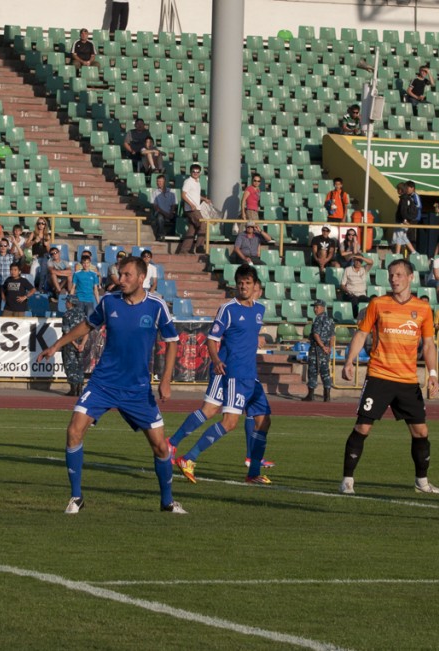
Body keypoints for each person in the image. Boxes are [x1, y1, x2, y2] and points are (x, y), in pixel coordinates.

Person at [37, 256, 182, 514]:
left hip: (137, 389)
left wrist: (166, 380)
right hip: (103, 383)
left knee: (161, 446)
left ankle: (167, 502)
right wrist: (57, 345)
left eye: (127, 275)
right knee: (74, 431)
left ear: (141, 278)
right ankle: (76, 497)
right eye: (119, 274)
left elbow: (172, 342)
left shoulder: (156, 305)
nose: (120, 279)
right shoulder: (109, 301)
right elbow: (87, 325)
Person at [339, 259, 439, 496]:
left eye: (398, 275)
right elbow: (361, 334)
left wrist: (433, 374)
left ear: (410, 277)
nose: (394, 279)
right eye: (391, 275)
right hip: (379, 376)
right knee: (363, 427)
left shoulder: (423, 309)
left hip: (408, 381)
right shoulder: (378, 304)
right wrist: (349, 361)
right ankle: (347, 480)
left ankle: (422, 482)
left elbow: (429, 344)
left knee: (421, 432)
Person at [172, 265, 274, 485]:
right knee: (228, 422)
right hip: (236, 373)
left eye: (247, 283)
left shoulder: (259, 310)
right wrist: (217, 360)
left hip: (252, 375)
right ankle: (188, 458)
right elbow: (212, 339)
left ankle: (253, 473)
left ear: (255, 285)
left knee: (264, 421)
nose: (243, 286)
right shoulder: (228, 309)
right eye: (240, 283)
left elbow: (247, 336)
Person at [304, 299, 335, 402]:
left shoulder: (318, 319)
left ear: (322, 308)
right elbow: (332, 336)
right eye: (314, 307)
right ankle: (327, 396)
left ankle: (310, 395)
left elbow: (316, 334)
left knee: (313, 371)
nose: (315, 309)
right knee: (325, 372)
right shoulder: (330, 320)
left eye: (317, 307)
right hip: (325, 350)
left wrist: (322, 346)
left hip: (317, 349)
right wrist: (329, 348)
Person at [177, 164, 209, 254]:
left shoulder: (197, 182)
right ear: (190, 172)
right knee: (203, 224)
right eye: (194, 171)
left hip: (196, 208)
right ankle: (199, 247)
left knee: (192, 230)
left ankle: (184, 250)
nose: (195, 173)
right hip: (192, 209)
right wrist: (191, 204)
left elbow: (195, 195)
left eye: (197, 172)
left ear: (200, 173)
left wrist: (204, 199)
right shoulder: (188, 181)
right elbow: (183, 195)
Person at [59, 295, 88, 396]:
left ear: (71, 303)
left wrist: (75, 344)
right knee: (79, 365)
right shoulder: (82, 314)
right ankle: (79, 388)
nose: (65, 303)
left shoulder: (67, 315)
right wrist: (82, 344)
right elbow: (87, 330)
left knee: (70, 365)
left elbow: (67, 332)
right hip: (81, 343)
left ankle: (73, 389)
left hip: (70, 344)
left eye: (67, 302)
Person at [340, 254, 372, 318]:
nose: (358, 262)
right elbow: (342, 285)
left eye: (360, 261)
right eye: (356, 260)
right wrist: (346, 290)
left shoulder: (364, 269)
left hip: (361, 295)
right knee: (354, 300)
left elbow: (371, 262)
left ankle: (369, 318)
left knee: (371, 301)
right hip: (350, 294)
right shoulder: (348, 269)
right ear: (353, 261)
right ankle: (356, 318)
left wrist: (360, 257)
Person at [0, 238, 17, 313]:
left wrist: (15, 243)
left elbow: (21, 255)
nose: (3, 247)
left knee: (9, 304)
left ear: (8, 246)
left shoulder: (10, 257)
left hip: (8, 284)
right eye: (1, 245)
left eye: (5, 245)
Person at [392, 181, 418, 256]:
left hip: (402, 221)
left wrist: (405, 220)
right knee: (403, 237)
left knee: (399, 237)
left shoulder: (404, 199)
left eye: (398, 189)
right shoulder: (408, 198)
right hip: (404, 221)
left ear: (401, 190)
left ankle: (397, 254)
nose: (397, 190)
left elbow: (403, 211)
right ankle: (414, 252)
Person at [150, 175, 176, 241]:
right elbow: (155, 207)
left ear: (164, 182)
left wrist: (171, 213)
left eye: (160, 181)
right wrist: (166, 214)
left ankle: (172, 234)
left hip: (169, 212)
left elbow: (173, 204)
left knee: (178, 218)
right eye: (157, 181)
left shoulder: (171, 192)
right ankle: (160, 235)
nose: (158, 183)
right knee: (160, 218)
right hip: (160, 212)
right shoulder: (154, 193)